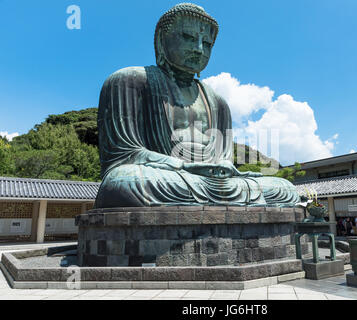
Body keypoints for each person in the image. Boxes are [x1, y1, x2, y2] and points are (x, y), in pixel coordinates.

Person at [93, 3, 301, 208]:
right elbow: (123, 156)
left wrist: (222, 169)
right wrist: (183, 166)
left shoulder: (218, 102)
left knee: (284, 188)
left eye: (207, 44)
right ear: (161, 40)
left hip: (210, 183)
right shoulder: (129, 81)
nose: (199, 49)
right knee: (125, 182)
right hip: (164, 176)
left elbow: (223, 159)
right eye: (189, 37)